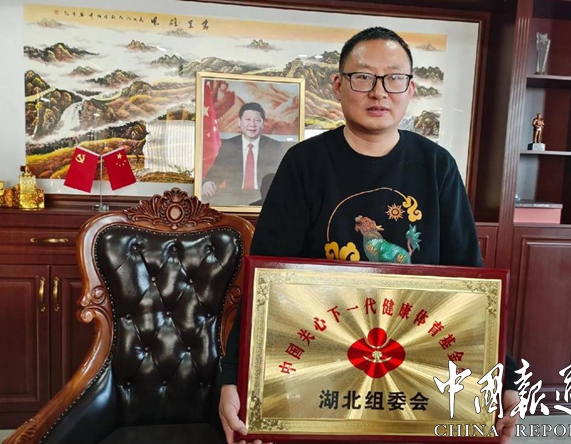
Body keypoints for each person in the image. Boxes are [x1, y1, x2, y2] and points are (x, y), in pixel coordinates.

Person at [219, 27, 520, 444]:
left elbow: (470, 283)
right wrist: (232, 377)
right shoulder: (304, 164)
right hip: (319, 360)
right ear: (338, 85)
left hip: (416, 359)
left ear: (410, 89)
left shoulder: (437, 166)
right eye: (363, 77)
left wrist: (505, 376)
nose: (379, 92)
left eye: (394, 78)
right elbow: (264, 283)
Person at [202, 102, 284, 201]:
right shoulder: (229, 146)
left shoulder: (273, 146)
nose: (252, 124)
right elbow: (215, 173)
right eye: (248, 119)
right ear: (239, 122)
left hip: (264, 200)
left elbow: (281, 177)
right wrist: (208, 183)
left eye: (257, 120)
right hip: (234, 198)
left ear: (263, 124)